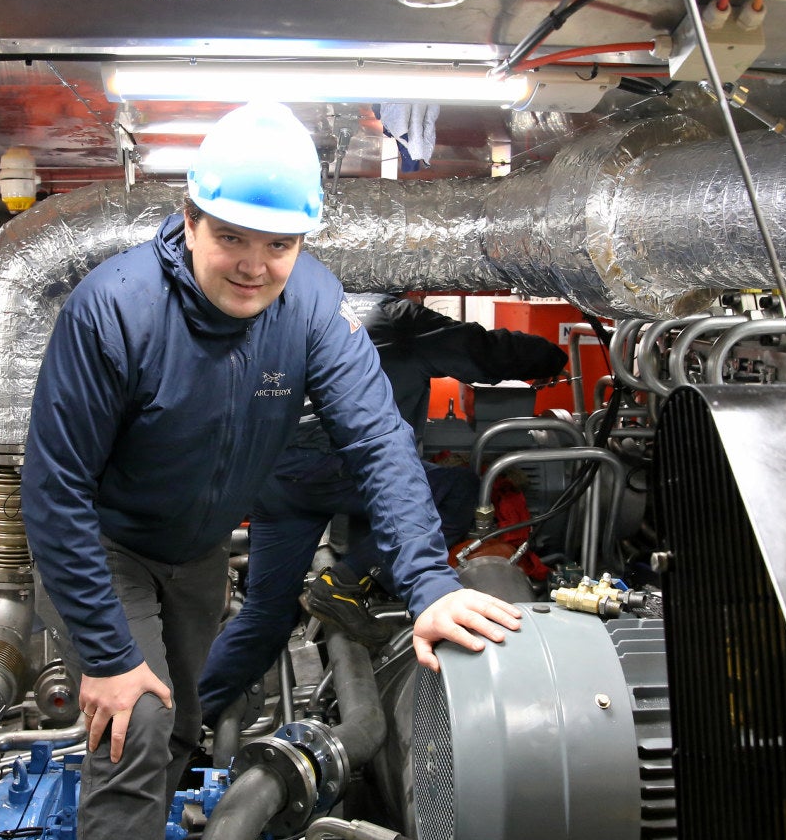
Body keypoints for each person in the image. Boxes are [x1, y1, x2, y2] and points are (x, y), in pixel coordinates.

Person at [19, 101, 524, 840]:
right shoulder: (114, 310)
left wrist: (430, 584)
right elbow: (54, 487)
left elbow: (377, 438)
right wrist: (104, 653)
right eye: (232, 237)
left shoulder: (312, 306)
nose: (255, 265)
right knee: (136, 726)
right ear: (190, 220)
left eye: (279, 244)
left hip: (197, 551)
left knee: (183, 724)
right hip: (104, 548)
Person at [196, 293, 569, 725]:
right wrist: (551, 357)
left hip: (275, 477)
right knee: (460, 489)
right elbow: (482, 351)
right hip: (337, 467)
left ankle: (187, 723)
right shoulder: (399, 318)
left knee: (265, 615)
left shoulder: (311, 304)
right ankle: (346, 582)